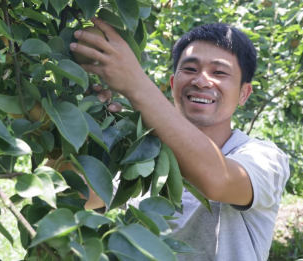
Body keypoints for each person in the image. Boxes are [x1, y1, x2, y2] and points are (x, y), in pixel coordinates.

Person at [70, 18, 290, 261]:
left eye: (219, 72)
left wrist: (135, 84)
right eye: (190, 69)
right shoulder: (142, 152)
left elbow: (217, 180)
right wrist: (74, 125)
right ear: (174, 84)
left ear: (243, 94)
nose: (201, 81)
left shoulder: (265, 157)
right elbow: (77, 195)